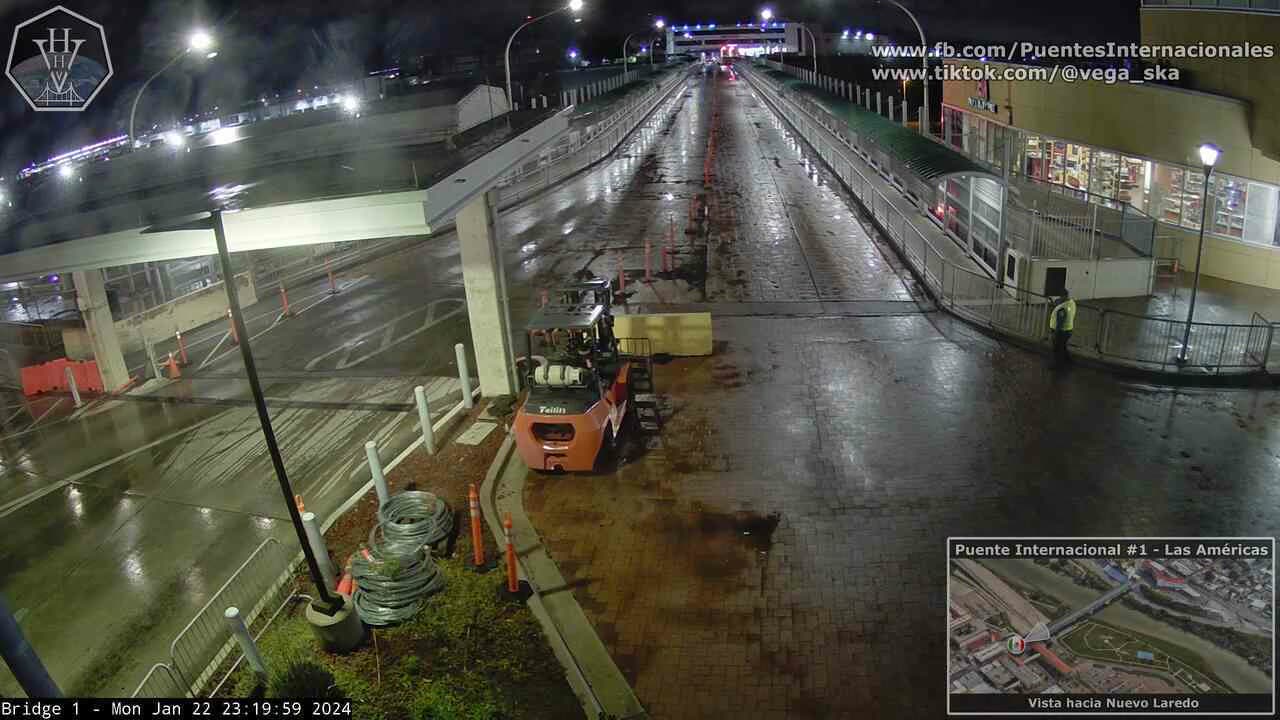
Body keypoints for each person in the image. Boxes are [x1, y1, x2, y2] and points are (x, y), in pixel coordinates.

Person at [1049, 290, 1077, 367]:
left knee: (1056, 348)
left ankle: (1056, 364)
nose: (1059, 298)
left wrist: (1055, 334)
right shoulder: (1072, 303)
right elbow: (1058, 302)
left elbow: (1060, 323)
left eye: (1060, 296)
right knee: (1063, 347)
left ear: (1063, 296)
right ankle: (1069, 361)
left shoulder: (1062, 308)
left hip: (1061, 331)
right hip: (1069, 330)